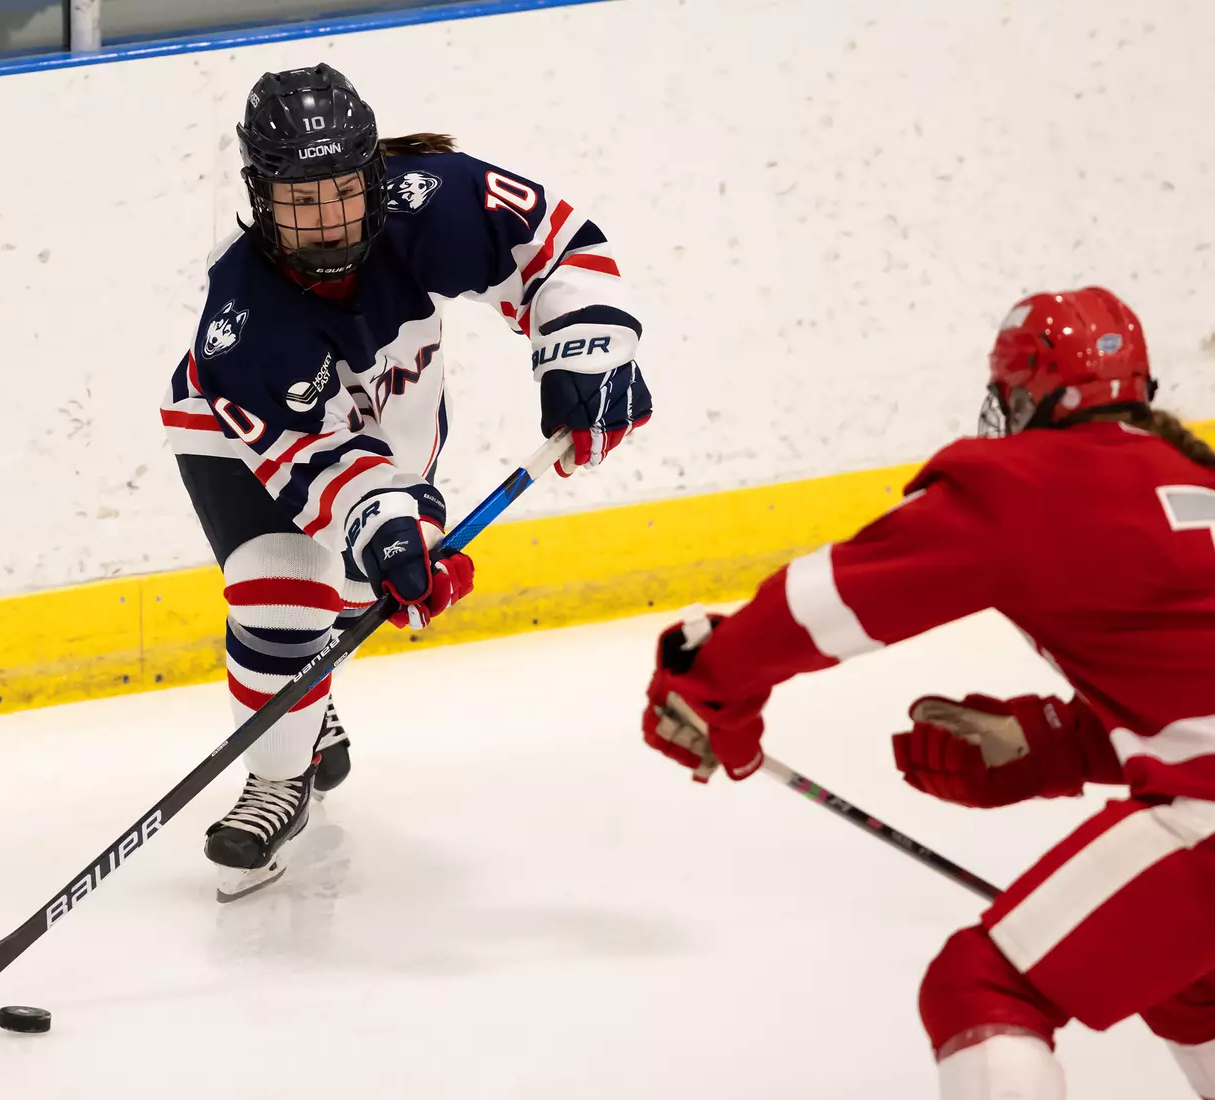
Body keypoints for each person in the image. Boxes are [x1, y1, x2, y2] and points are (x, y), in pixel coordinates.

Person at [641, 287, 1215, 1098]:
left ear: (1028, 393)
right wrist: (1049, 742)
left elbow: (829, 602)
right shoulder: (1193, 476)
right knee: (1190, 978)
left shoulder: (1030, 482)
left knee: (981, 988)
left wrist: (711, 681)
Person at [161, 63, 652, 900]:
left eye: (344, 191)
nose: (327, 222)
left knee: (359, 588)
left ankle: (306, 694)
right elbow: (322, 463)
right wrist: (388, 519)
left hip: (394, 408)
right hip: (242, 432)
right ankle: (277, 780)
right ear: (259, 194)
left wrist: (587, 345)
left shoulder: (432, 200)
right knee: (283, 592)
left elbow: (560, 246)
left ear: (375, 174)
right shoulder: (241, 324)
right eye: (299, 202)